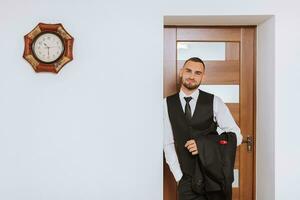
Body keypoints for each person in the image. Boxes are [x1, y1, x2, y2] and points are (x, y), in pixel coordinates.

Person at [163, 57, 243, 200]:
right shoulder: (166, 104)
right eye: (188, 71)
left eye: (197, 73)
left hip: (214, 177)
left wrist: (203, 145)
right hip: (186, 180)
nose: (192, 76)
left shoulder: (214, 101)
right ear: (181, 72)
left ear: (203, 77)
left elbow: (237, 136)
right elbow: (167, 143)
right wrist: (179, 177)